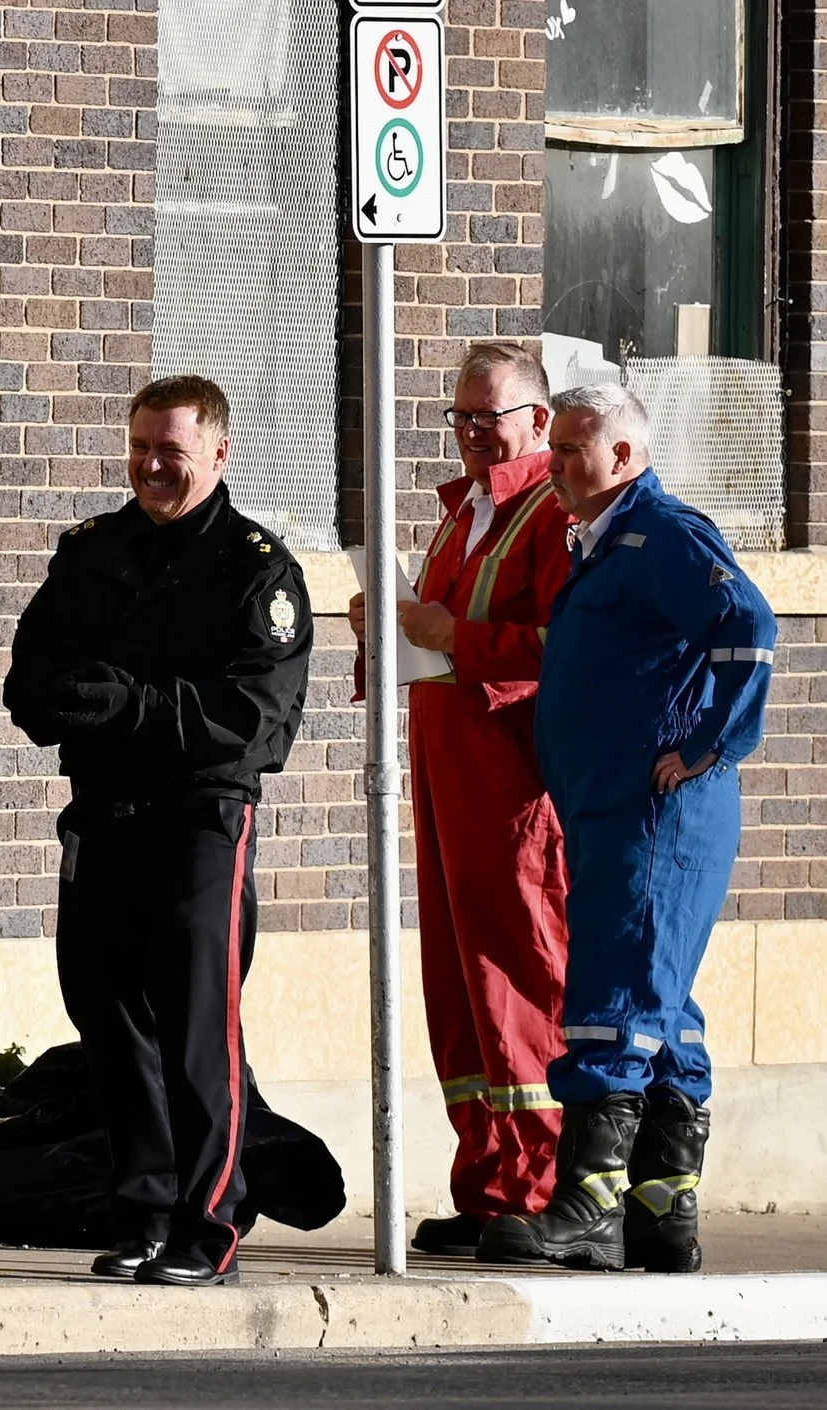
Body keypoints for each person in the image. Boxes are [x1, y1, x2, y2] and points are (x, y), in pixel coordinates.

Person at [3, 375, 312, 1288]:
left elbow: (258, 719)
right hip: (102, 818)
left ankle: (208, 1222)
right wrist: (75, 702)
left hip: (200, 825)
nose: (149, 467)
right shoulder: (93, 551)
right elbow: (32, 680)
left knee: (194, 1030)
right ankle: (140, 1209)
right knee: (106, 1016)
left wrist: (130, 705)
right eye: (140, 447)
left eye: (170, 452)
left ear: (218, 453)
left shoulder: (257, 569)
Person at [477, 385, 775, 1273]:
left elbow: (749, 626)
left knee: (612, 996)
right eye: (557, 447)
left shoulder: (662, 535)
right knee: (663, 1008)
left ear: (625, 457)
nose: (557, 465)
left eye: (573, 449)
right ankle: (661, 1210)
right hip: (609, 807)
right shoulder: (601, 547)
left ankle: (589, 1204)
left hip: (657, 816)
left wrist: (709, 744)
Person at [347, 341, 573, 1257]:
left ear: (539, 421)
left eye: (491, 417)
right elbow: (432, 641)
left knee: (520, 973)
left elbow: (564, 646)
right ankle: (485, 1180)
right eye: (462, 418)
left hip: (514, 786)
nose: (475, 436)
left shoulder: (552, 515)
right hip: (444, 778)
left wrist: (457, 635)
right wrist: (385, 625)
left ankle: (541, 1186)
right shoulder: (458, 515)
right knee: (457, 983)